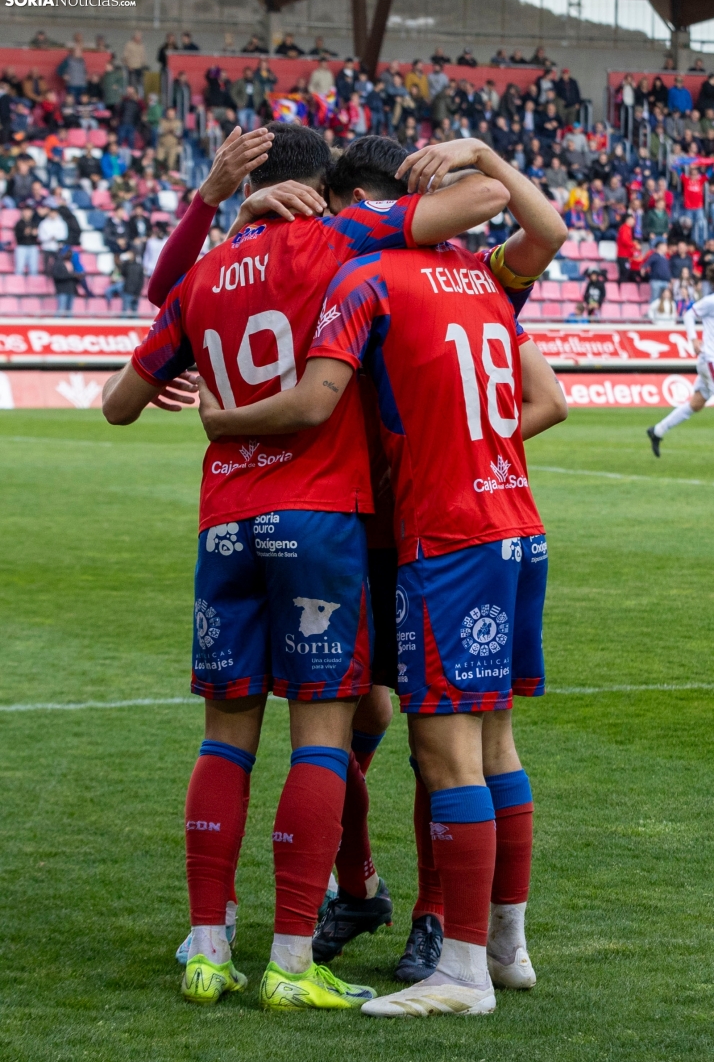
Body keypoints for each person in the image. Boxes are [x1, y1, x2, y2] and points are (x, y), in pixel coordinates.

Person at [101, 126, 511, 1009]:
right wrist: (461, 163)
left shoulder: (208, 274)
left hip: (228, 524)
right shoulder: (344, 240)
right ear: (321, 190)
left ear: (263, 187)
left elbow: (119, 402)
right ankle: (296, 955)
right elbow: (487, 202)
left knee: (226, 732)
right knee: (345, 734)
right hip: (335, 518)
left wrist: (224, 213)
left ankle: (210, 945)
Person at [193, 136, 567, 1017]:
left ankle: (450, 934)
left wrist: (225, 423)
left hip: (417, 533)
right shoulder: (479, 279)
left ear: (357, 203)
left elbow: (317, 397)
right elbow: (545, 395)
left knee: (428, 741)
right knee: (418, 726)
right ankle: (394, 900)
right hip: (465, 526)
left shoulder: (366, 277)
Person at [648, 275, 714, 455]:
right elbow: (688, 314)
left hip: (708, 361)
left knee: (697, 403)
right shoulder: (710, 301)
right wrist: (693, 339)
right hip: (710, 359)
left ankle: (658, 430)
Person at [49, 245, 80, 314]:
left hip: (71, 289)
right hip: (62, 289)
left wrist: (78, 277)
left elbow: (74, 276)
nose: (69, 254)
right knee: (61, 308)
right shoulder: (57, 264)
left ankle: (70, 324)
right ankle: (56, 324)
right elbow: (57, 276)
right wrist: (72, 276)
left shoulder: (71, 263)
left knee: (69, 310)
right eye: (68, 253)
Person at [118, 249, 144, 314]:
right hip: (127, 290)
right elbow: (122, 273)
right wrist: (124, 262)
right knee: (125, 310)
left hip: (136, 292)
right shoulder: (126, 265)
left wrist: (138, 292)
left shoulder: (139, 266)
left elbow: (141, 280)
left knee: (135, 311)